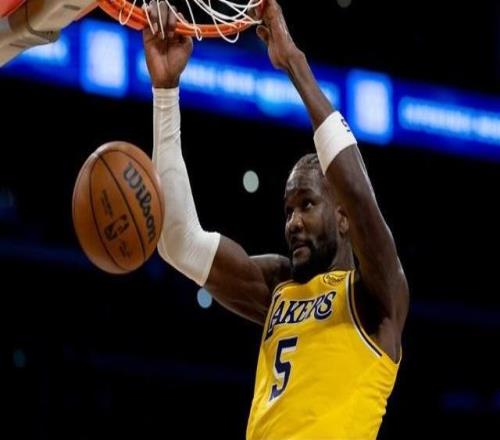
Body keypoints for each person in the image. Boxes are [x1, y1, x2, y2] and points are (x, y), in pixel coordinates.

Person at [143, 0, 409, 438]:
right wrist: (166, 91)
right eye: (288, 210)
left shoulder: (377, 297)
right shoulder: (277, 288)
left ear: (343, 217)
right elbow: (178, 243)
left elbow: (359, 195)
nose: (293, 222)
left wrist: (293, 63)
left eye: (307, 204)